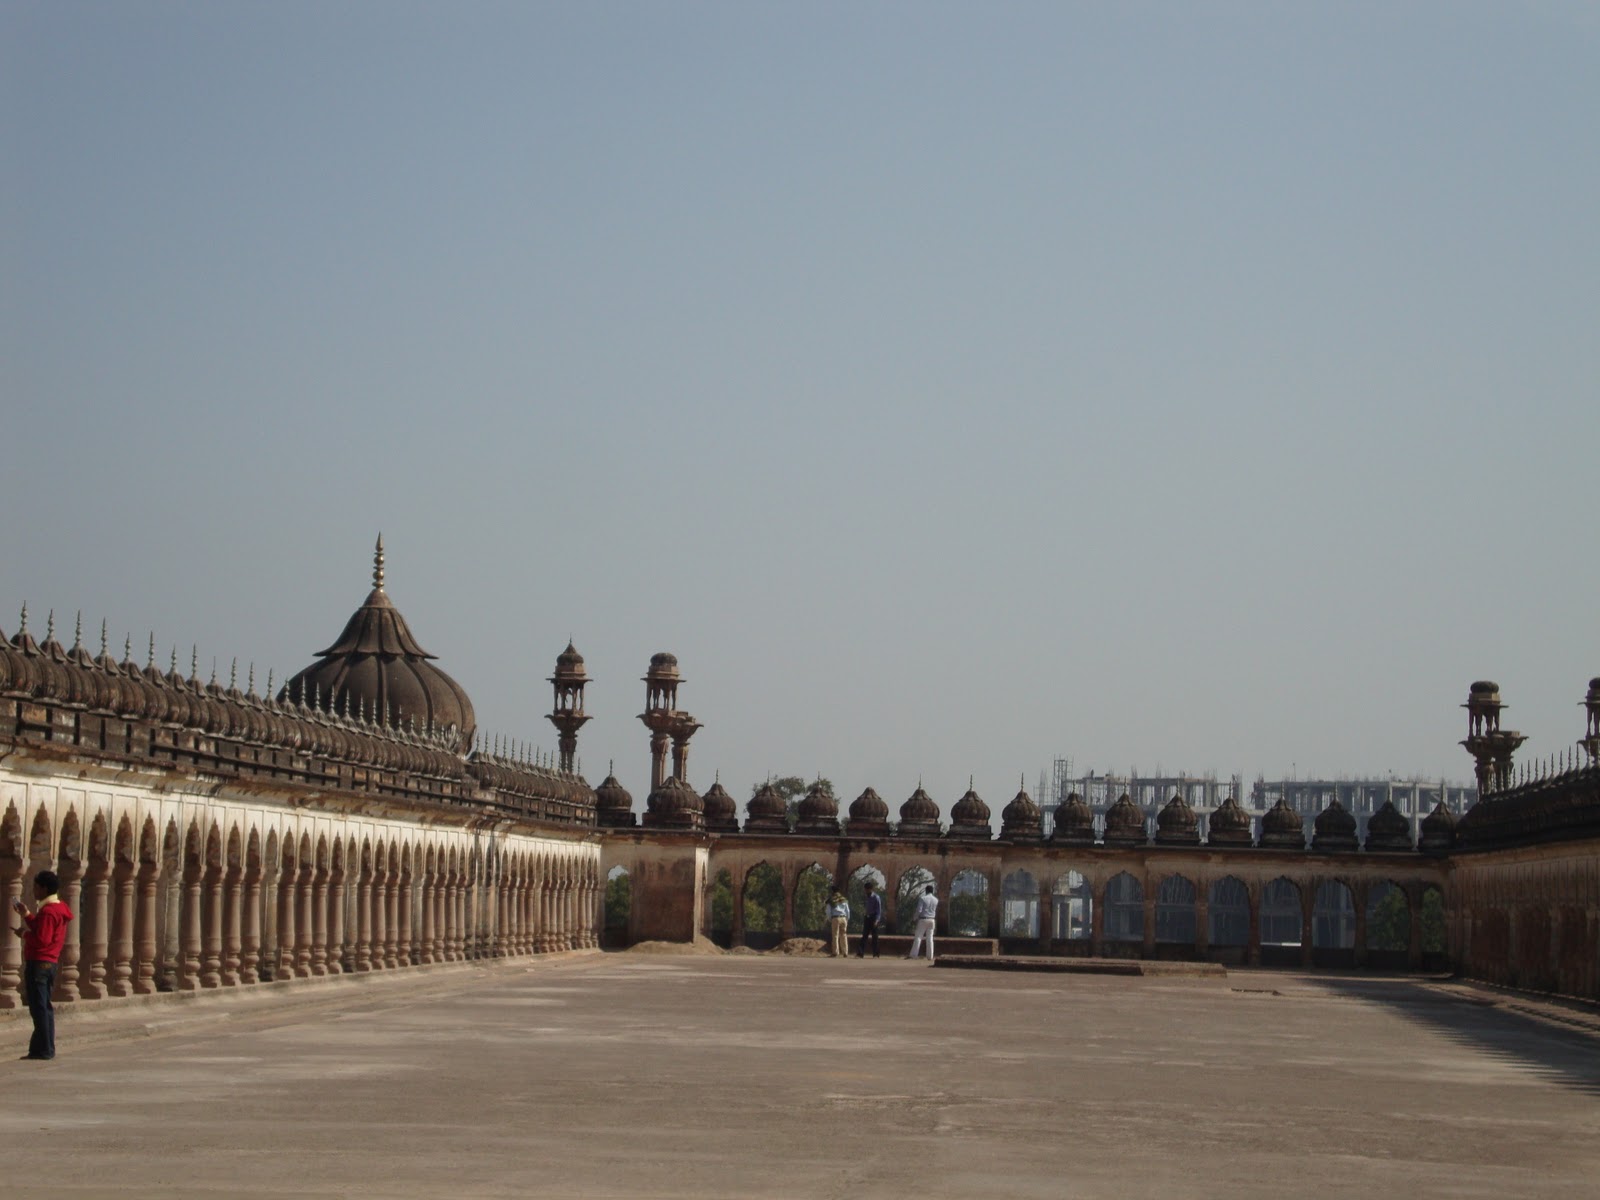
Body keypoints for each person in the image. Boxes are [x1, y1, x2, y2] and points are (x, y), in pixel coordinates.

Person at [12, 869, 74, 1061]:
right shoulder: (57, 907)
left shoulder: (48, 912)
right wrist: (28, 915)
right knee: (43, 1007)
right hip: (48, 963)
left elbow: (42, 939)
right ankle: (42, 1048)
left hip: (40, 962)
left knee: (39, 1007)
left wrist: (23, 934)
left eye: (36, 887)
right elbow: (43, 931)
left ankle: (44, 1049)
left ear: (44, 888)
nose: (34, 891)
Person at [906, 884, 938, 963]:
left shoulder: (923, 898)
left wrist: (914, 918)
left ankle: (914, 954)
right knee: (930, 938)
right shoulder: (936, 900)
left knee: (918, 937)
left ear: (926, 890)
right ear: (932, 891)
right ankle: (930, 956)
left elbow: (919, 910)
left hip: (923, 919)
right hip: (932, 920)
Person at [856, 880, 882, 959]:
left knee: (875, 937)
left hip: (874, 918)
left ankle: (876, 954)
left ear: (871, 889)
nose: (866, 891)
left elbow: (878, 910)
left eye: (867, 889)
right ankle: (860, 953)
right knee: (864, 936)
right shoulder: (867, 897)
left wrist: (877, 920)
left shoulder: (876, 897)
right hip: (867, 917)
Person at [825, 889, 850, 957]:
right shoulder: (843, 900)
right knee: (844, 935)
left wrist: (830, 919)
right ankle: (845, 952)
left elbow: (828, 911)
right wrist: (847, 919)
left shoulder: (831, 900)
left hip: (835, 918)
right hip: (844, 918)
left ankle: (835, 952)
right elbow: (847, 910)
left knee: (835, 935)